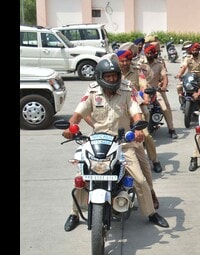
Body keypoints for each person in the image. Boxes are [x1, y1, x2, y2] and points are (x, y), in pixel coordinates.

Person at [62, 58, 169, 232]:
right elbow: (78, 112)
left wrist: (138, 129)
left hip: (123, 142)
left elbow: (136, 112)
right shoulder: (92, 91)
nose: (112, 79)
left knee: (140, 180)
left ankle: (150, 213)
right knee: (81, 178)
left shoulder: (126, 89)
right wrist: (70, 127)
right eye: (108, 76)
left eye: (114, 75)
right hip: (97, 141)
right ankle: (74, 213)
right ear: (100, 76)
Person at [117, 49, 164, 175]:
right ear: (118, 61)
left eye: (127, 60)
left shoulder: (137, 71)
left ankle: (155, 160)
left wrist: (146, 96)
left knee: (146, 135)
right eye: (122, 61)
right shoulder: (114, 72)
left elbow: (143, 84)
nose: (125, 63)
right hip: (119, 108)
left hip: (137, 105)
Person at [139, 43, 179, 139]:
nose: (149, 55)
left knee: (165, 108)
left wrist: (164, 86)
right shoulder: (140, 63)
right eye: (147, 53)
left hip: (155, 90)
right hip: (142, 90)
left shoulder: (159, 64)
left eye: (151, 53)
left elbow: (165, 77)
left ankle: (171, 129)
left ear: (154, 53)